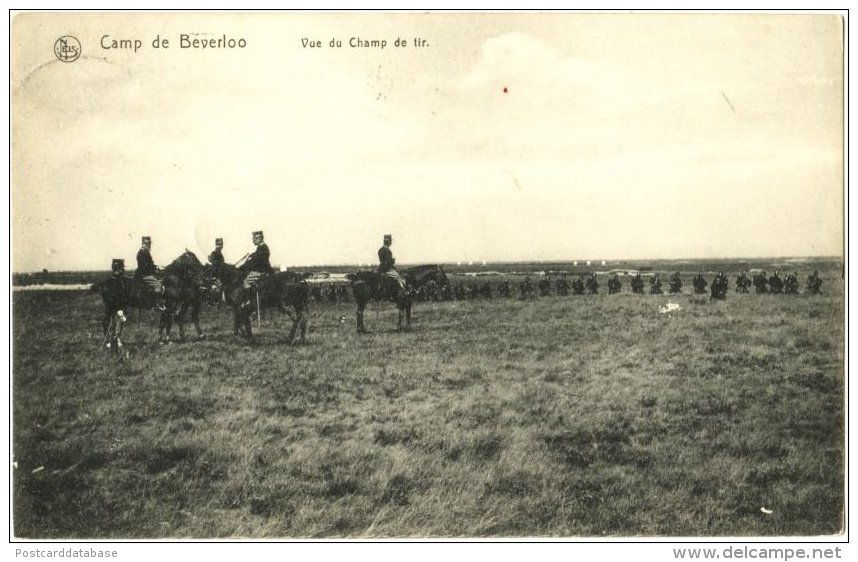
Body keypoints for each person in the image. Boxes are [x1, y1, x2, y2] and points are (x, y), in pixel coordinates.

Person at [104, 259, 130, 351]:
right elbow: (111, 297)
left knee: (118, 326)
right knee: (115, 327)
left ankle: (115, 342)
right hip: (114, 309)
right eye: (122, 268)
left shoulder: (119, 280)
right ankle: (112, 346)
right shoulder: (112, 281)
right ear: (118, 269)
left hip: (119, 308)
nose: (123, 270)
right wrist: (118, 310)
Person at [135, 236, 165, 310]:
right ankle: (156, 305)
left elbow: (150, 264)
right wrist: (155, 269)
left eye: (149, 243)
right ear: (143, 243)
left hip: (145, 273)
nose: (149, 245)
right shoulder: (142, 253)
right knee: (158, 284)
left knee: (160, 280)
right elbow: (146, 266)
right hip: (143, 275)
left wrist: (156, 267)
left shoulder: (146, 252)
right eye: (147, 243)